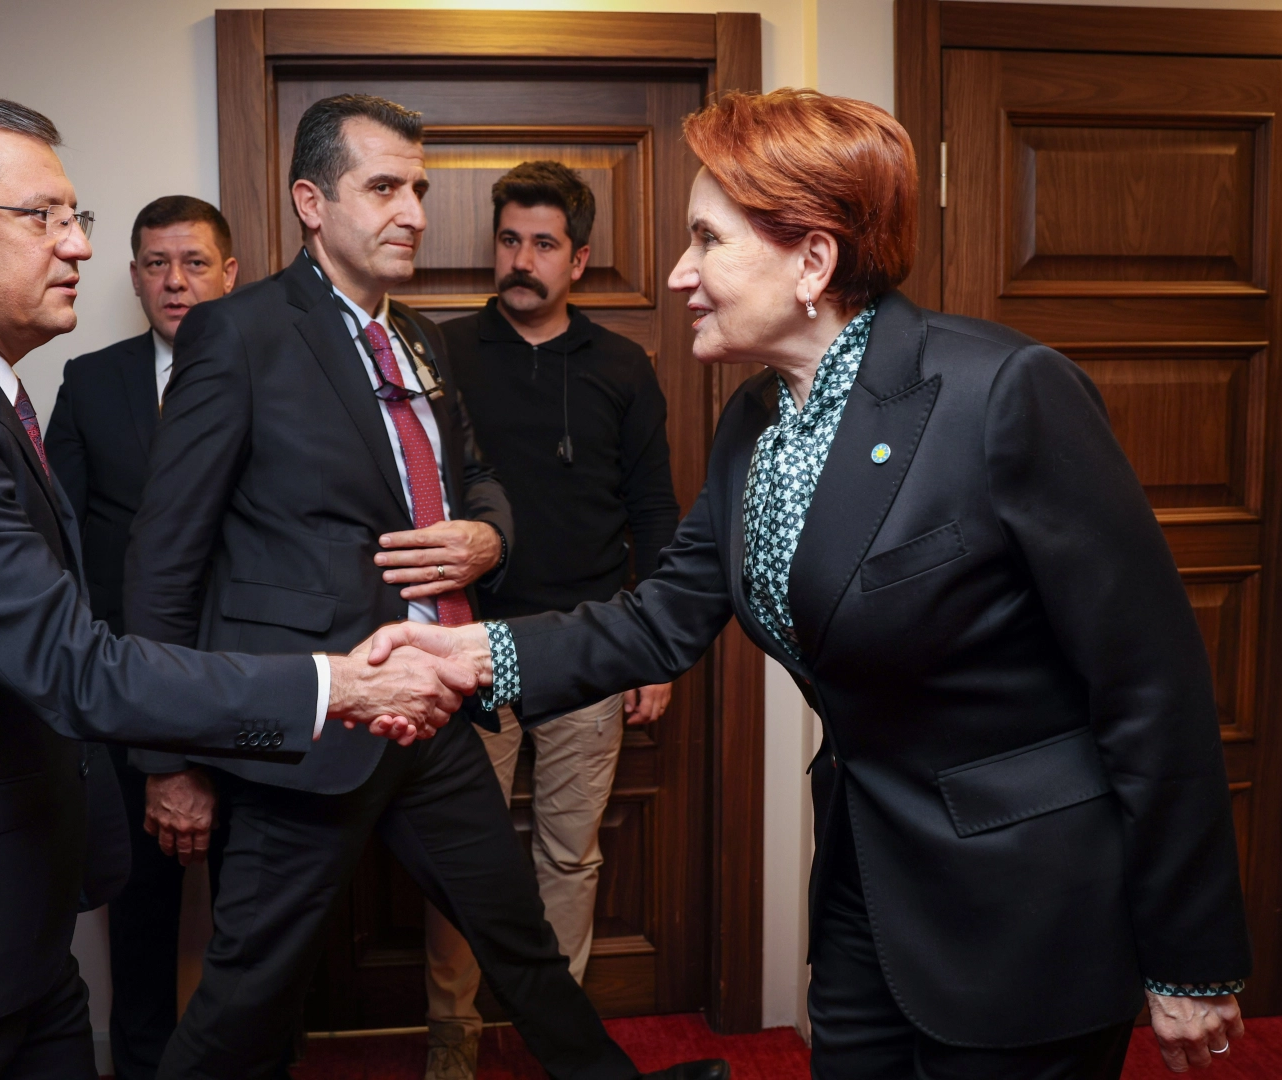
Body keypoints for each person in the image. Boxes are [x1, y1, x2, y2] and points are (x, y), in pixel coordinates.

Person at [367, 88, 1252, 1080]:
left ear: (812, 261)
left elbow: (1152, 687)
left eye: (705, 240)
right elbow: (660, 618)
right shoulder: (755, 421)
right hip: (865, 886)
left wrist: (1191, 954)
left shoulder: (1002, 394)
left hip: (1021, 909)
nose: (677, 274)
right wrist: (470, 652)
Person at [0, 92, 473, 1080]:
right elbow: (74, 664)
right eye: (43, 218)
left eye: (78, 220)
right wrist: (336, 685)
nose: (78, 248)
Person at [122, 93, 725, 1080]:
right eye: (385, 188)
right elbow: (164, 554)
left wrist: (487, 533)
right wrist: (166, 758)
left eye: (420, 190)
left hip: (433, 713)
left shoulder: (421, 340)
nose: (413, 212)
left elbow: (476, 474)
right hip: (310, 725)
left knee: (517, 940)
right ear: (311, 202)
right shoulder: (236, 336)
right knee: (245, 992)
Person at [421, 160, 681, 1079]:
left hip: (591, 651)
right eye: (507, 240)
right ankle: (452, 1032)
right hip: (468, 649)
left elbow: (654, 512)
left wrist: (656, 652)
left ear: (579, 257)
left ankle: (557, 1040)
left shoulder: (621, 367)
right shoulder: (439, 353)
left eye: (542, 244)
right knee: (462, 858)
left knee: (570, 858)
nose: (520, 260)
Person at [44, 194, 238, 1080]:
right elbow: (57, 537)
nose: (175, 280)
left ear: (228, 274)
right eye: (157, 264)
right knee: (142, 903)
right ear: (132, 277)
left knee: (257, 901)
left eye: (194, 262)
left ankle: (252, 1059)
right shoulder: (90, 380)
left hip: (250, 682)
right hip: (126, 685)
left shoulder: (271, 374)